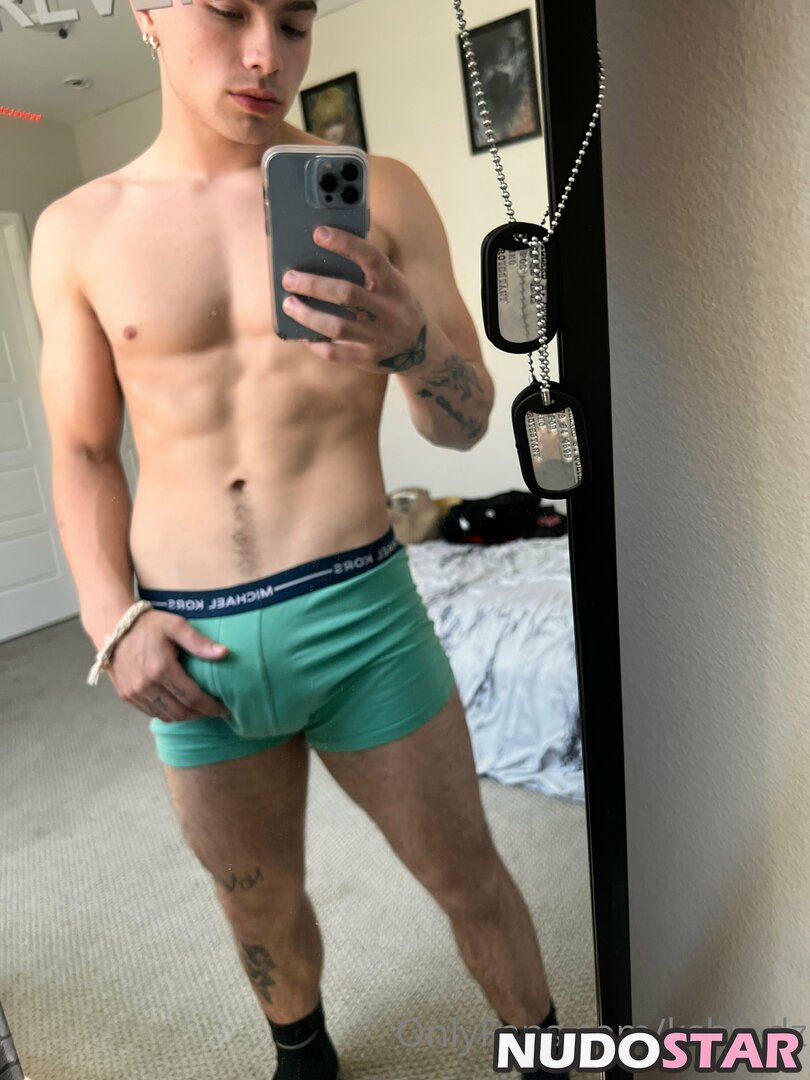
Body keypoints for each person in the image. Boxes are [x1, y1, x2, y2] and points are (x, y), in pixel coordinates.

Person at [29, 0, 564, 1075]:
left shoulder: (383, 191)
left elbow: (464, 423)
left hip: (365, 618)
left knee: (470, 879)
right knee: (256, 906)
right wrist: (109, 621)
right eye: (229, 12)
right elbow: (83, 453)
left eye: (294, 20)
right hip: (196, 650)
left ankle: (553, 1052)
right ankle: (303, 1057)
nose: (265, 54)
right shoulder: (79, 230)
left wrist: (412, 346)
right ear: (147, 14)